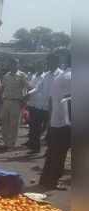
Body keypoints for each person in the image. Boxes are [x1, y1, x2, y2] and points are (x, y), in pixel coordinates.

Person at [39, 53, 71, 190]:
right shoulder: (71, 77)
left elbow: (52, 100)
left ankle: (46, 179)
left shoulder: (62, 75)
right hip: (65, 123)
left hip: (57, 121)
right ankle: (52, 181)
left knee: (54, 152)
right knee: (59, 154)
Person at [25, 54, 62, 153]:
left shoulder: (61, 75)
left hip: (53, 107)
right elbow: (38, 88)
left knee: (51, 130)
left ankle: (49, 151)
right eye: (47, 62)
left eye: (50, 62)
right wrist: (28, 94)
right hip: (40, 106)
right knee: (35, 128)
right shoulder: (46, 75)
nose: (48, 64)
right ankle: (36, 148)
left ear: (56, 62)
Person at [0, 59, 29, 149]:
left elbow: (26, 88)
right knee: (4, 122)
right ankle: (5, 142)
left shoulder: (22, 75)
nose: (13, 65)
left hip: (16, 102)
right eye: (11, 64)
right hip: (6, 101)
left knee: (14, 124)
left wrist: (24, 100)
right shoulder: (6, 76)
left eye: (15, 64)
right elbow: (3, 88)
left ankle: (11, 143)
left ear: (18, 65)